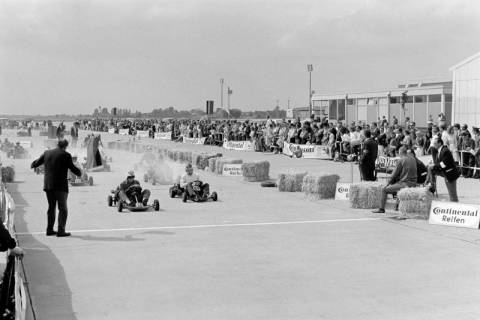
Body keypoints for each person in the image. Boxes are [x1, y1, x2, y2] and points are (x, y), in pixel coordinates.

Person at [31, 139, 82, 237]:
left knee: (51, 207)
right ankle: (61, 231)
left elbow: (35, 164)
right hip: (60, 186)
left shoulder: (47, 153)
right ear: (66, 146)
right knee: (63, 208)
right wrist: (79, 172)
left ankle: (49, 230)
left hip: (48, 185)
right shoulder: (66, 155)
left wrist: (33, 163)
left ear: (57, 144)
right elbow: (72, 168)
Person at [373, 147, 417, 213]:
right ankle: (397, 206)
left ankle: (381, 209)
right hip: (414, 183)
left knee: (384, 190)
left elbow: (393, 175)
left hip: (406, 184)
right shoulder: (413, 159)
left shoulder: (401, 160)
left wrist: (387, 184)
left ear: (400, 153)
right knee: (397, 184)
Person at [426, 138, 459, 202]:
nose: (433, 145)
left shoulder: (445, 151)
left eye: (435, 143)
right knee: (430, 168)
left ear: (440, 143)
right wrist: (432, 165)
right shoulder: (440, 150)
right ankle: (430, 184)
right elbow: (438, 163)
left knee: (452, 193)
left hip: (450, 174)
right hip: (445, 172)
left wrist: (434, 166)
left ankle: (455, 206)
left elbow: (444, 164)